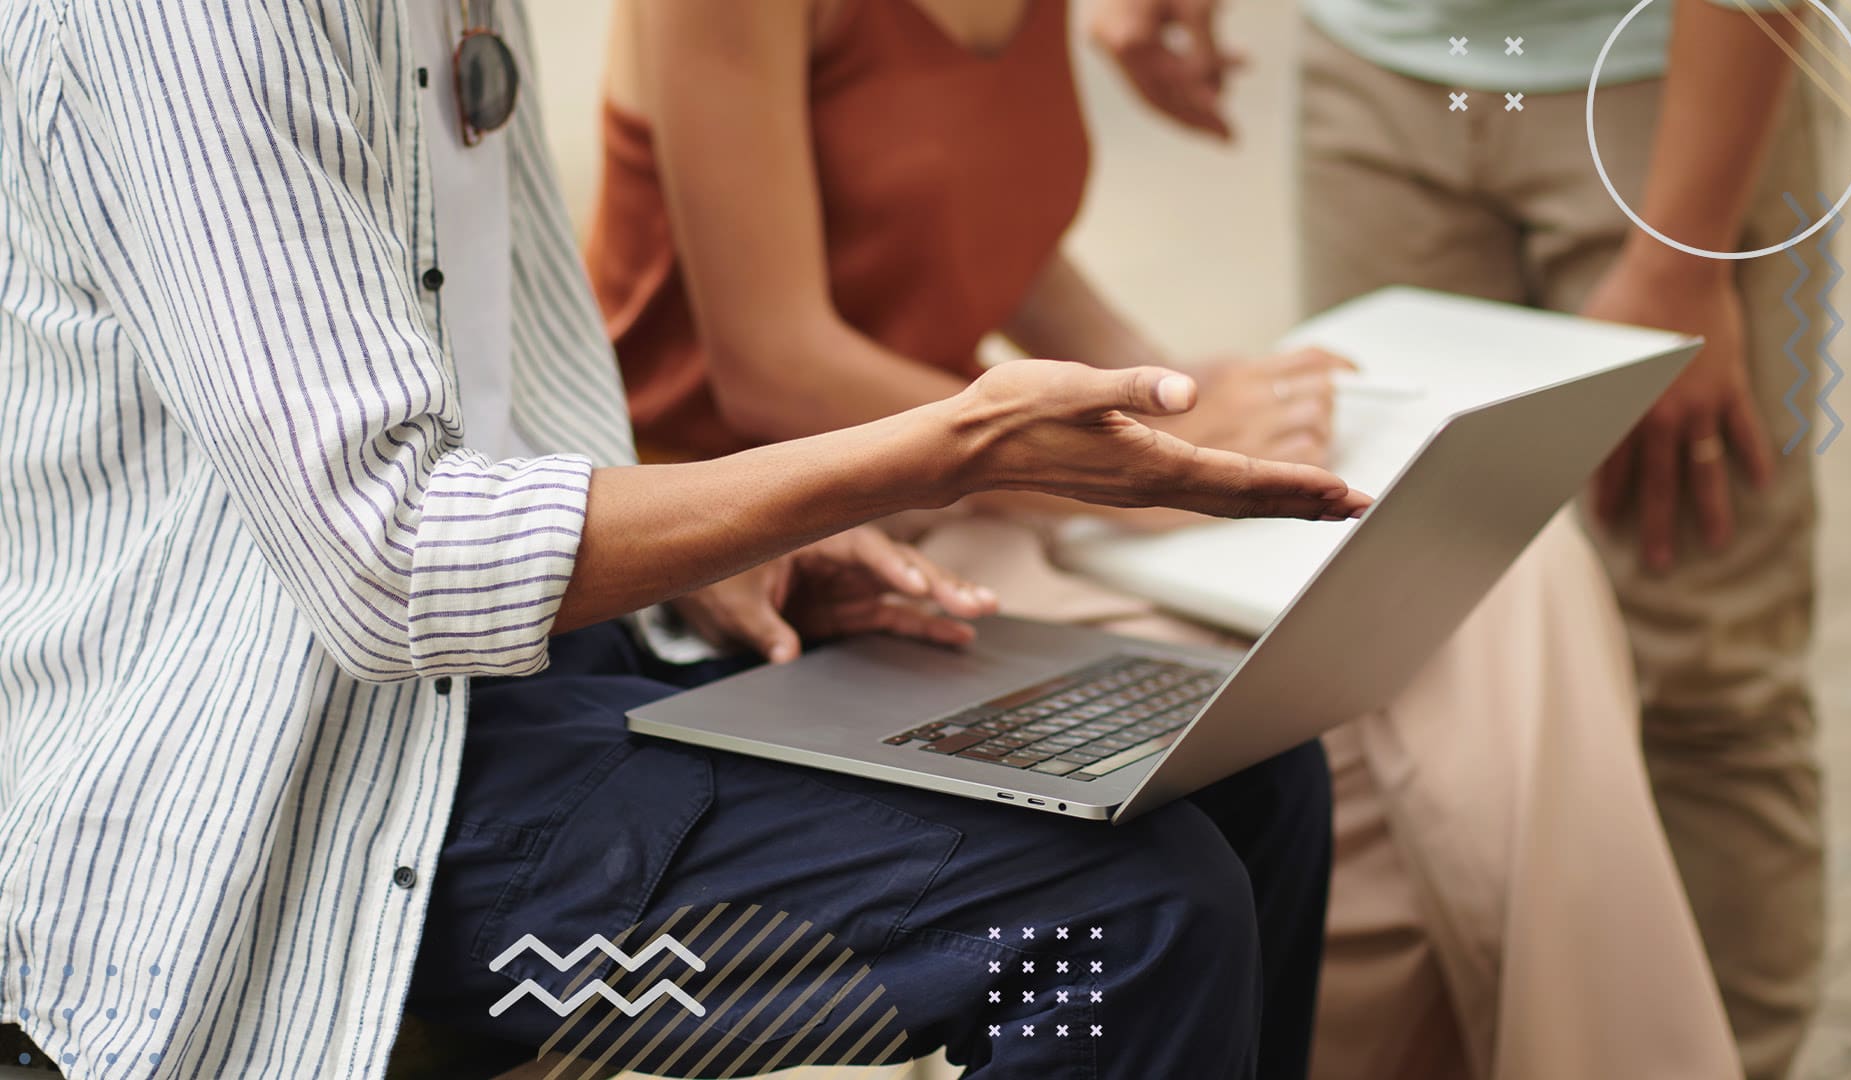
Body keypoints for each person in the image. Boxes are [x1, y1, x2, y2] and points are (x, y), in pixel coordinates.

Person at [0, 1, 1386, 1077]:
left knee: (1254, 771)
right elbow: (389, 557)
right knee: (1135, 911)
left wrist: (710, 547)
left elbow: (514, 407)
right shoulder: (195, 25)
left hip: (509, 676)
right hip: (280, 782)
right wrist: (941, 453)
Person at [586, 1, 1744, 1077]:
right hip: (789, 539)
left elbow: (977, 219)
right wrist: (1124, 462)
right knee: (1374, 759)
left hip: (995, 483)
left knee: (1492, 574)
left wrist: (1175, 389)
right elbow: (772, 369)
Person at [1090, 0, 1825, 1076]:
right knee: (1387, 646)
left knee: (1705, 668)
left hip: (1660, 81)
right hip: (1376, 72)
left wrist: (1681, 255)